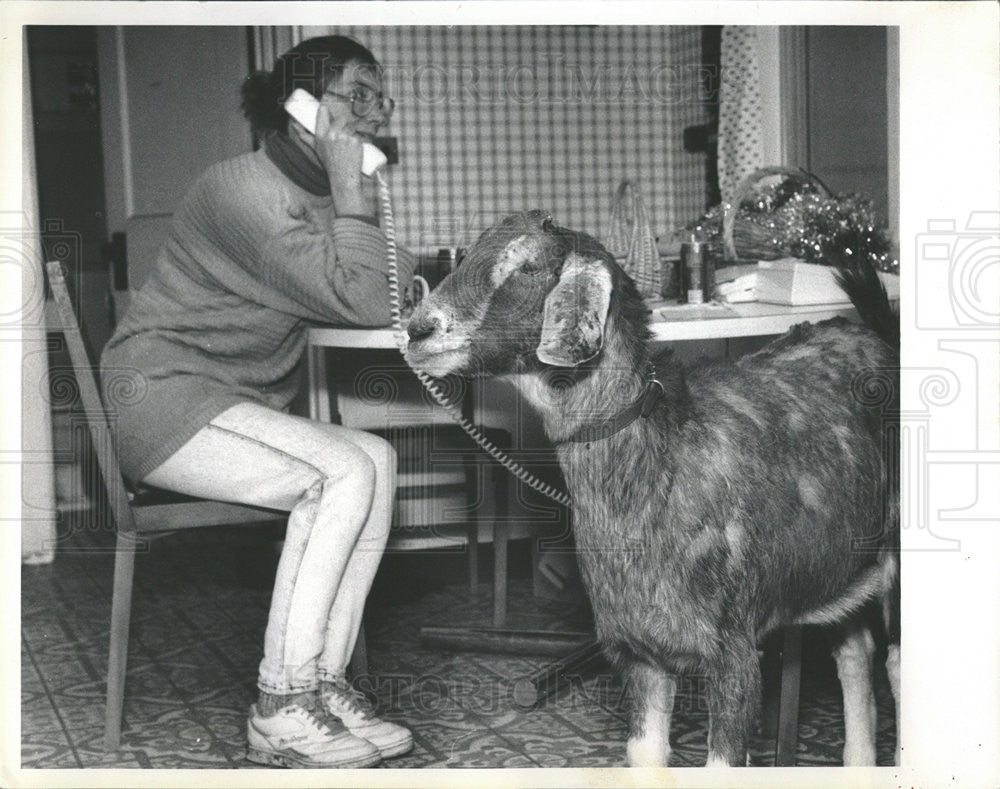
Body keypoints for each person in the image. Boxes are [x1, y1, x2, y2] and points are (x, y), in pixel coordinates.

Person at [100, 35, 416, 769]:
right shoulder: (241, 190)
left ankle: (319, 685)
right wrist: (353, 196)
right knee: (337, 469)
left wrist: (350, 202)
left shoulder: (314, 193)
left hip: (227, 407)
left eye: (381, 97)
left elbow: (370, 291)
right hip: (160, 402)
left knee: (376, 456)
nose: (374, 115)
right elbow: (368, 300)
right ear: (300, 107)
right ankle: (279, 705)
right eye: (357, 96)